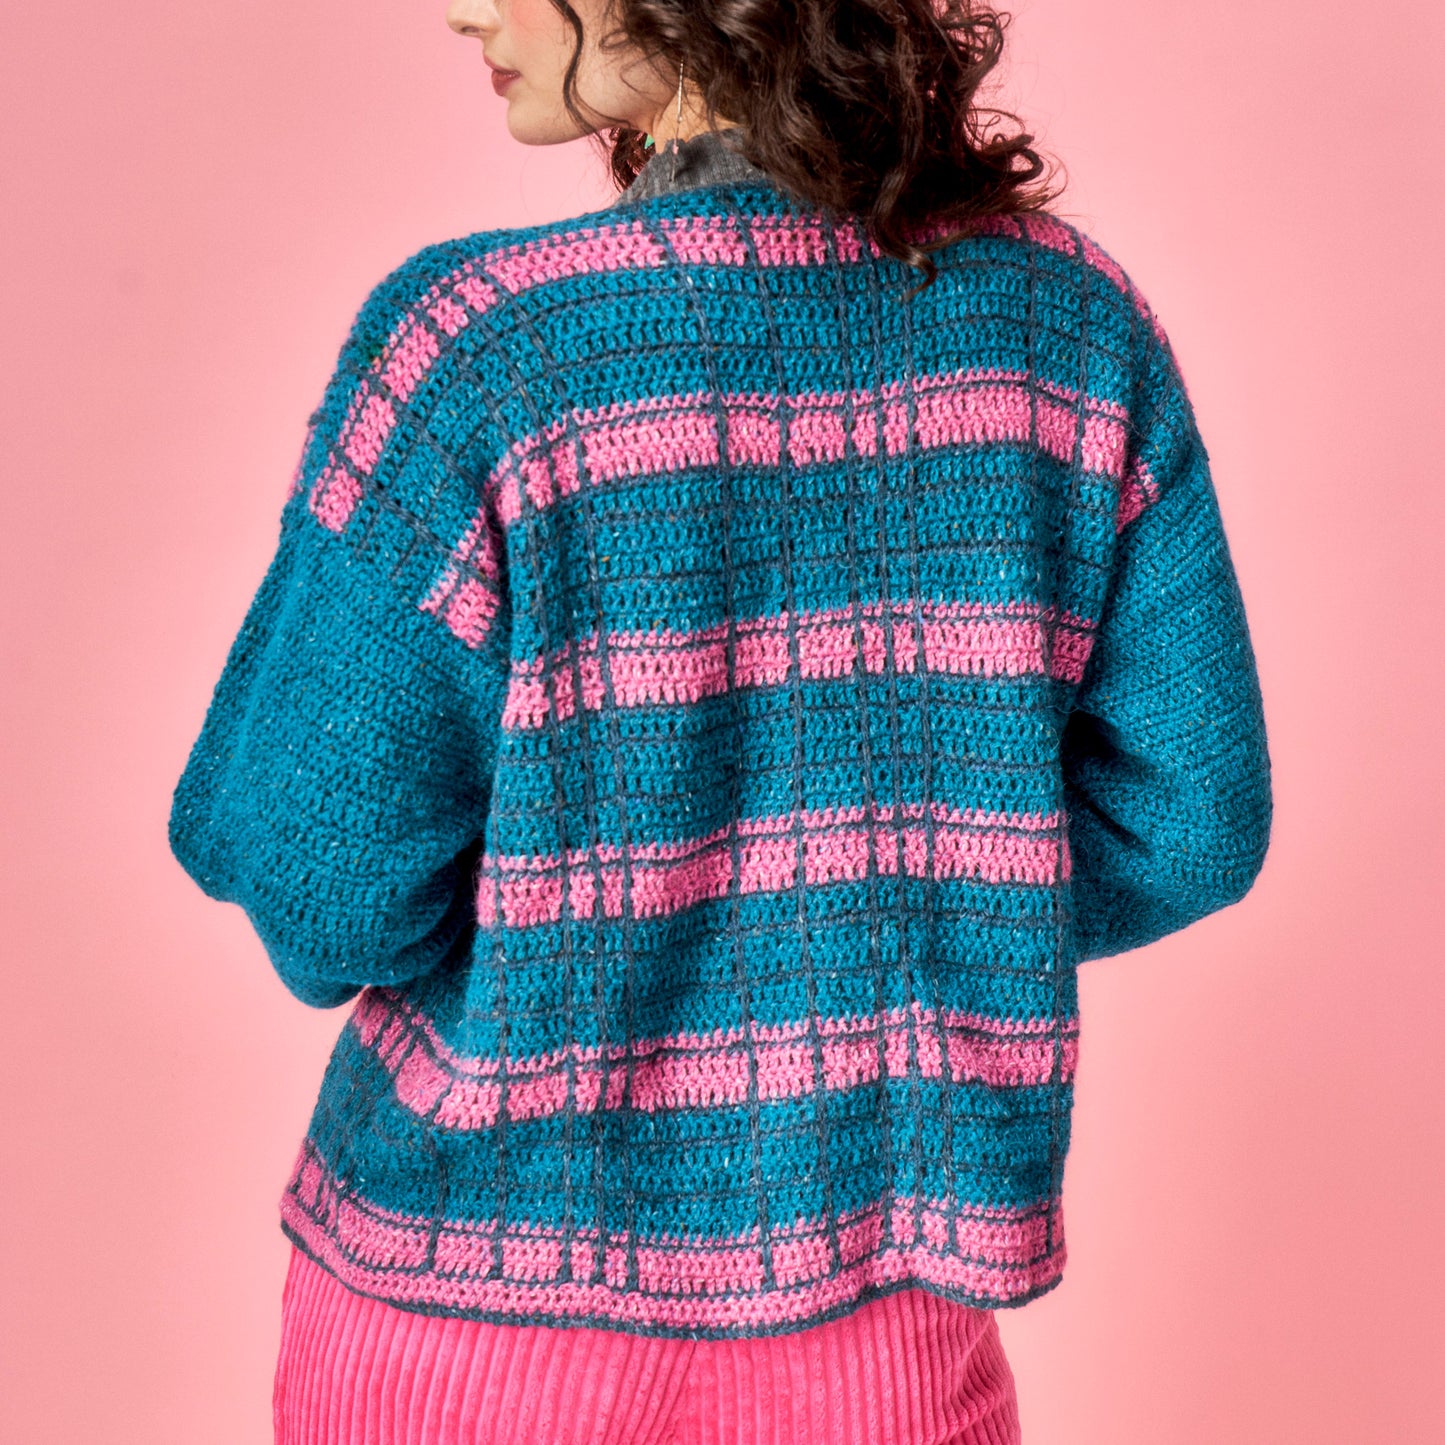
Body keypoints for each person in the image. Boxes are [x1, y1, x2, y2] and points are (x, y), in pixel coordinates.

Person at [167, 1, 1274, 1440]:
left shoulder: (484, 351)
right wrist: (891, 903)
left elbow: (322, 877)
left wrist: (587, 909)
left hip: (471, 1332)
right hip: (885, 1334)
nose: (463, 9)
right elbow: (1192, 818)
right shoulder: (1071, 328)